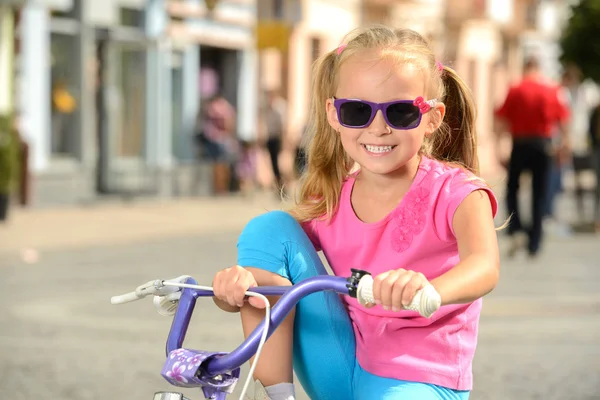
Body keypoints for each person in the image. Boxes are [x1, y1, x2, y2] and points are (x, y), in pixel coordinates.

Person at [212, 27, 500, 400]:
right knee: (270, 227)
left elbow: (485, 266)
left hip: (419, 378)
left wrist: (429, 289)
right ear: (334, 114)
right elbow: (269, 263)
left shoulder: (456, 191)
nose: (377, 128)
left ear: (431, 117)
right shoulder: (332, 195)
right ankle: (277, 396)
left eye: (401, 112)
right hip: (341, 360)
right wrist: (232, 289)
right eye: (357, 111)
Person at [495, 57, 570, 258]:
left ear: (524, 68)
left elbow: (501, 121)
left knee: (512, 189)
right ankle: (534, 243)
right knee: (540, 192)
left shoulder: (516, 89)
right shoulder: (551, 90)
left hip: (520, 144)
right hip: (543, 145)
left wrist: (499, 148)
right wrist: (563, 147)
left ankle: (516, 228)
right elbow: (563, 121)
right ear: (539, 68)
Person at [195, 94, 238, 195]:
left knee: (217, 165)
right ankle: (222, 188)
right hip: (222, 138)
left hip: (214, 138)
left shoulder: (213, 107)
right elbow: (229, 122)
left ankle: (219, 188)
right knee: (223, 164)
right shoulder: (225, 107)